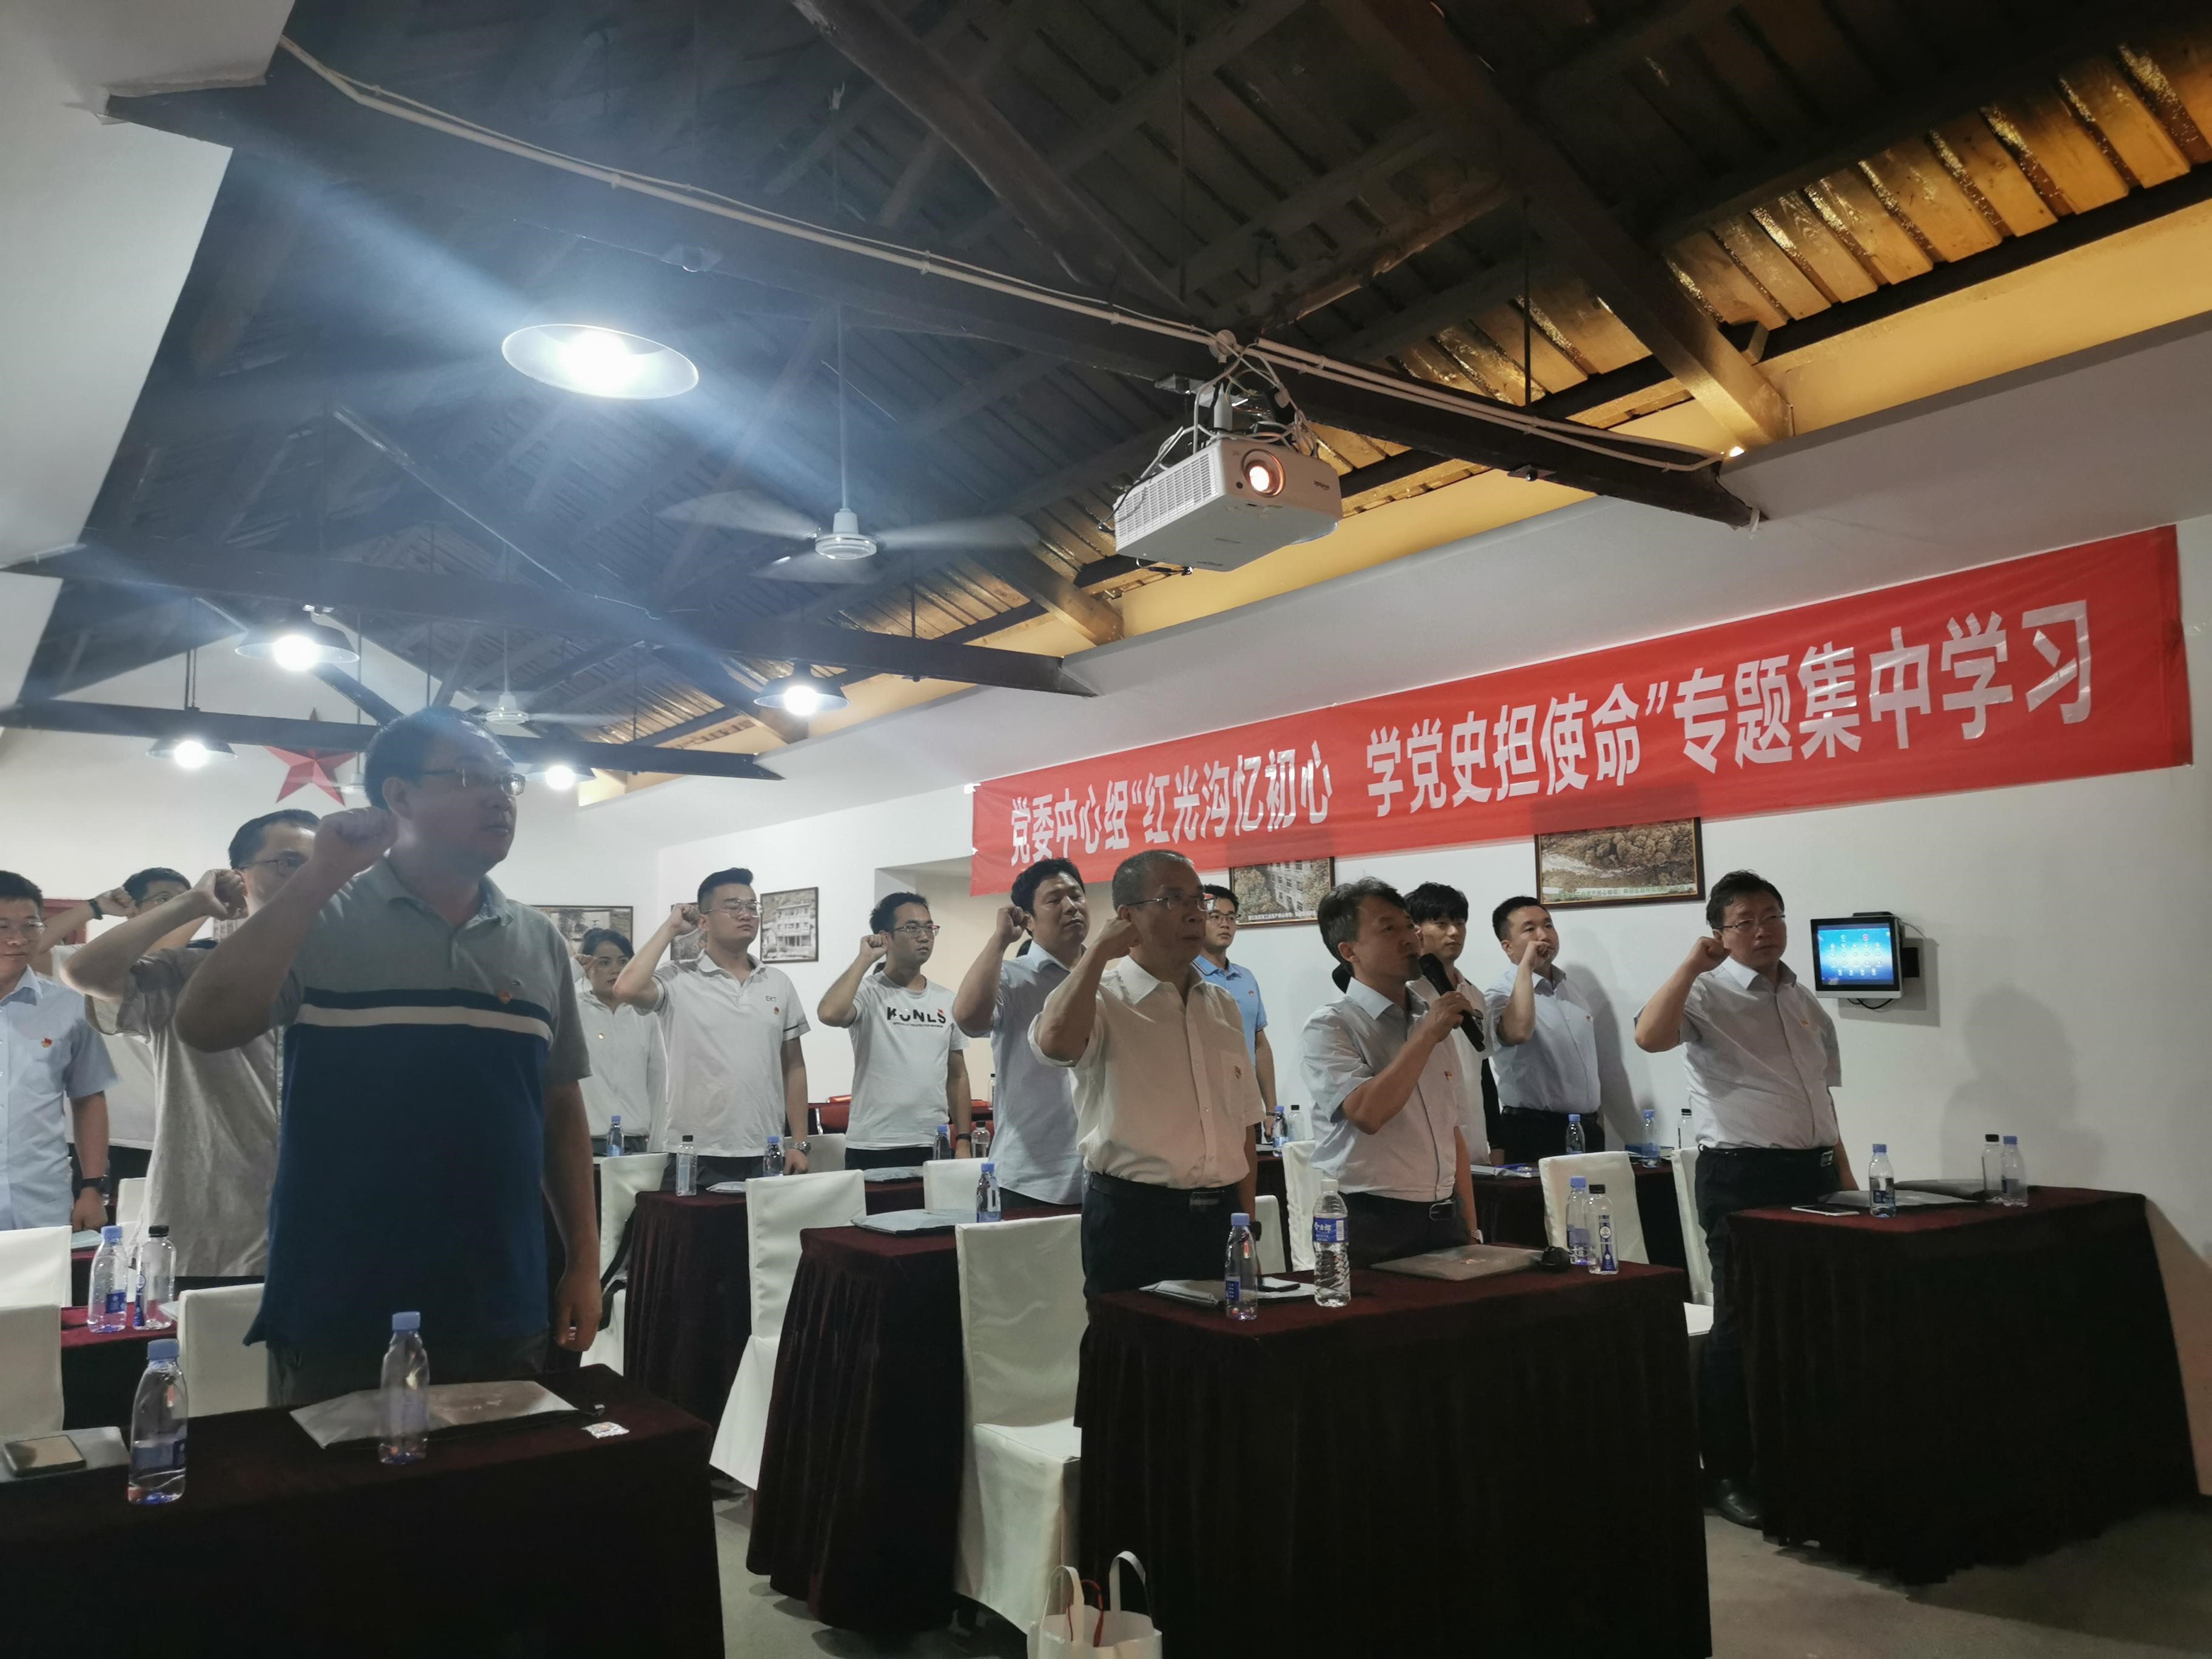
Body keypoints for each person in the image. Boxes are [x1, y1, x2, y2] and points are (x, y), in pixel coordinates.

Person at [172, 708, 599, 1406]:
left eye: (507, 781)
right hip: (340, 1295)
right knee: (337, 1478)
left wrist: (583, 1259)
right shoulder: (321, 916)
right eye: (470, 777)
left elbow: (559, 1106)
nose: (500, 798)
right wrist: (321, 873)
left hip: (499, 1291)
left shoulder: (537, 940)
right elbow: (204, 1023)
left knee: (500, 1475)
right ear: (399, 796)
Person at [1634, 868, 1854, 1530]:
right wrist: (1689, 967)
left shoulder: (1802, 999)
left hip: (1814, 1174)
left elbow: (1821, 1101)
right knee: (1741, 1320)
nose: (1763, 932)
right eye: (1746, 922)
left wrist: (1844, 1182)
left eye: (1773, 917)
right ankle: (1725, 1470)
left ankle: (1793, 1451)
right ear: (1719, 933)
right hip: (1743, 1178)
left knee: (1809, 1316)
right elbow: (1649, 1036)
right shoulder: (1704, 992)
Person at [59, 811, 318, 1287]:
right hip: (207, 1236)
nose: (309, 878)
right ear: (240, 878)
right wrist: (192, 903)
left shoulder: (356, 975)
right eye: (288, 863)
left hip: (329, 1235)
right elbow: (84, 973)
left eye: (321, 864)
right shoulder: (186, 973)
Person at [1033, 851, 1263, 1296]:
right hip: (1133, 1220)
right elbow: (1055, 1044)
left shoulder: (1222, 1005)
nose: (1195, 913)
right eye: (1174, 899)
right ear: (1127, 918)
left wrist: (1247, 1227)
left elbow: (1243, 1125)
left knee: (1228, 1340)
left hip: (1221, 1219)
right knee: (1132, 1340)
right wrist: (1100, 952)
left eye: (1198, 900)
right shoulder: (1100, 998)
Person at [1299, 879, 1484, 1267]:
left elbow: (1451, 1130)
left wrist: (1471, 1229)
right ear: (1349, 951)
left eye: (1408, 925)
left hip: (1446, 1218)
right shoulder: (1331, 1026)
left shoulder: (1430, 1018)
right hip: (1374, 1222)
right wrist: (1426, 1036)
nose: (1409, 938)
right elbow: (1368, 1113)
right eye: (1388, 929)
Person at [611, 867, 810, 1185]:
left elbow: (794, 1067)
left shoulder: (778, 982)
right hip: (696, 1152)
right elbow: (625, 989)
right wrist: (671, 928)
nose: (745, 914)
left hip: (765, 1149)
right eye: (732, 906)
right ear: (704, 921)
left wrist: (798, 1143)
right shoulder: (677, 977)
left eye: (752, 906)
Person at [953, 857, 1088, 1207]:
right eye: (1054, 900)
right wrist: (1000, 941)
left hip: (1100, 1173)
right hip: (1030, 1176)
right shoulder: (1012, 977)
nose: (1071, 906)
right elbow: (968, 1019)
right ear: (1028, 920)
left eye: (1077, 895)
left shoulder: (1104, 977)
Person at [817, 892, 972, 1167]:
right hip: (873, 1142)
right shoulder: (867, 992)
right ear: (885, 937)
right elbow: (830, 1014)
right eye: (912, 928)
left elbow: (957, 1075)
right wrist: (864, 960)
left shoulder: (947, 1000)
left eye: (929, 927)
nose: (924, 936)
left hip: (932, 1142)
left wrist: (963, 1139)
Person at [0, 871, 116, 1232]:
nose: (17, 939)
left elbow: (89, 1098)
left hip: (41, 1201)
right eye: (2, 927)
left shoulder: (69, 1007)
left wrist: (92, 1187)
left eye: (30, 925)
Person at [1483, 895, 1606, 1164]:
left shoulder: (1570, 988)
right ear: (1508, 947)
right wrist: (1527, 967)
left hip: (1587, 1128)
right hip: (1532, 1131)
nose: (1543, 935)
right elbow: (1517, 1033)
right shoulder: (1500, 993)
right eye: (1530, 929)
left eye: (1548, 925)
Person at [1405, 880, 1503, 1165]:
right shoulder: (1407, 993)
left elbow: (1483, 1071)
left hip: (1476, 1144)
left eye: (1460, 923)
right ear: (1415, 930)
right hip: (1428, 1150)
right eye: (1441, 924)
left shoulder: (1474, 994)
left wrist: (1497, 1142)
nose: (1454, 932)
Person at [573, 928, 663, 1156]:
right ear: (588, 970)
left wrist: (657, 1145)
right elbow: (543, 996)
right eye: (604, 963)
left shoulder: (645, 1013)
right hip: (584, 1140)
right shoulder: (572, 1011)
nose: (616, 970)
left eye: (623, 961)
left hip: (636, 1142)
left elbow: (657, 1082)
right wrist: (572, 969)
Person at [1195, 885, 1278, 1119]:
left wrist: (1271, 1109)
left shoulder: (1246, 978)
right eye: (1215, 917)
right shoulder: (1186, 976)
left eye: (1231, 918)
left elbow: (1260, 1045)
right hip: (1204, 1104)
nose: (1225, 924)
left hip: (1247, 1103)